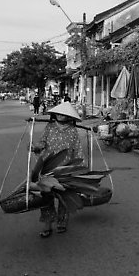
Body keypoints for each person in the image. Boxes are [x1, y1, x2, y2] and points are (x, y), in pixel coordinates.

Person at [31, 102, 84, 238]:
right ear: (54, 114)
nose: (60, 116)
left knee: (64, 197)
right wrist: (37, 146)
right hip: (48, 167)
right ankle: (47, 224)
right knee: (46, 196)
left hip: (65, 169)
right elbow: (42, 142)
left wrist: (79, 166)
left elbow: (77, 150)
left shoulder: (73, 130)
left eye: (64, 114)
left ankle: (62, 222)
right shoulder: (50, 127)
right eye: (58, 113)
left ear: (68, 116)